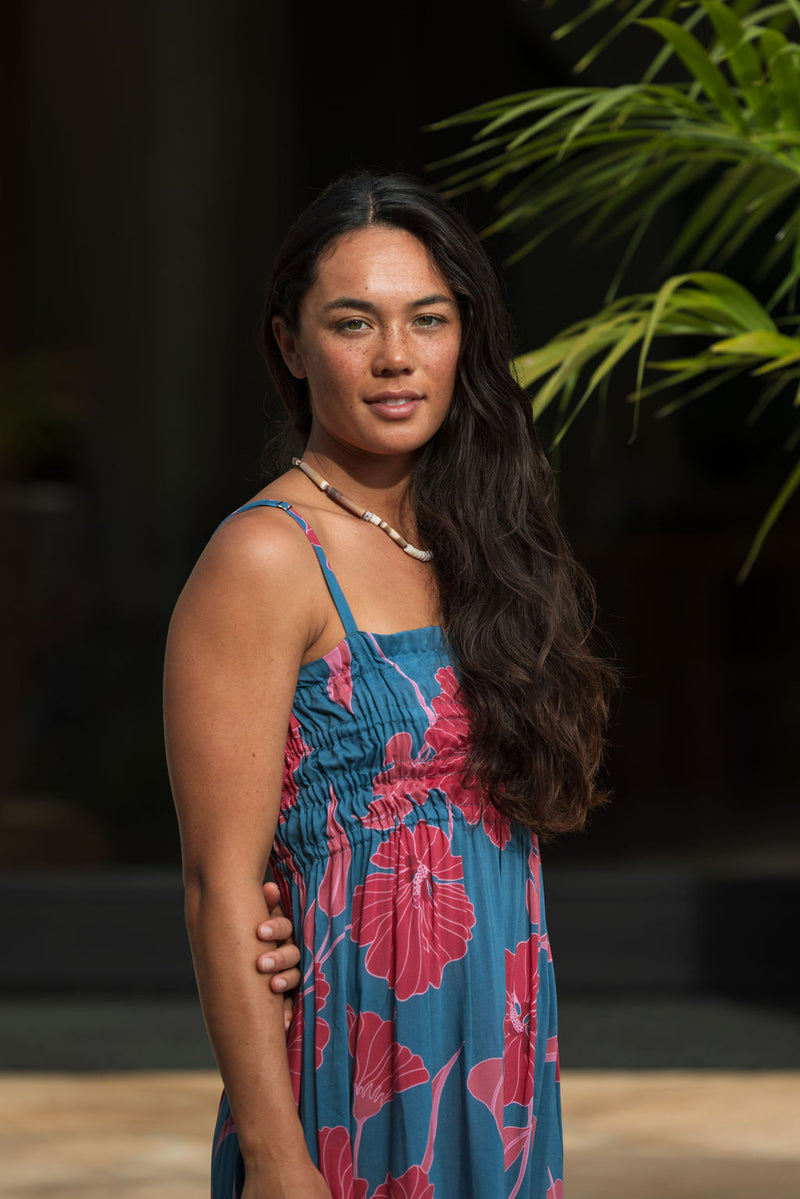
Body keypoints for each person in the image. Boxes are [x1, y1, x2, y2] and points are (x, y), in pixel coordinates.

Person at [164, 172, 615, 1199]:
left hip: (493, 1054)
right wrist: (279, 1162)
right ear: (288, 343)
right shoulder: (264, 558)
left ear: (466, 335)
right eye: (352, 323)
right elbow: (218, 887)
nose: (395, 357)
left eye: (427, 319)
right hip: (356, 1067)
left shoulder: (479, 541)